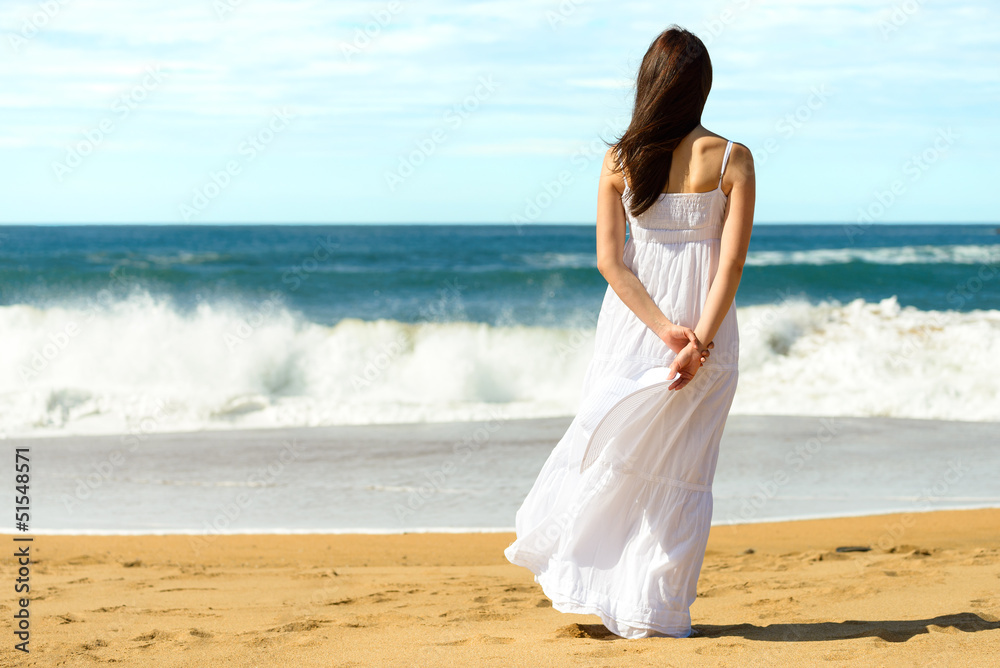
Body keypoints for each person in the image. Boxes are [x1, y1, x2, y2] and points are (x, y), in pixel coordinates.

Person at [503, 25, 755, 639]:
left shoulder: (620, 159)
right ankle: (656, 610)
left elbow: (610, 262)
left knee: (618, 456)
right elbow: (729, 263)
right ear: (702, 86)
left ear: (648, 83)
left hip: (636, 328)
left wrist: (667, 330)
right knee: (684, 468)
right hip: (707, 331)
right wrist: (699, 338)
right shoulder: (731, 157)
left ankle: (620, 600)